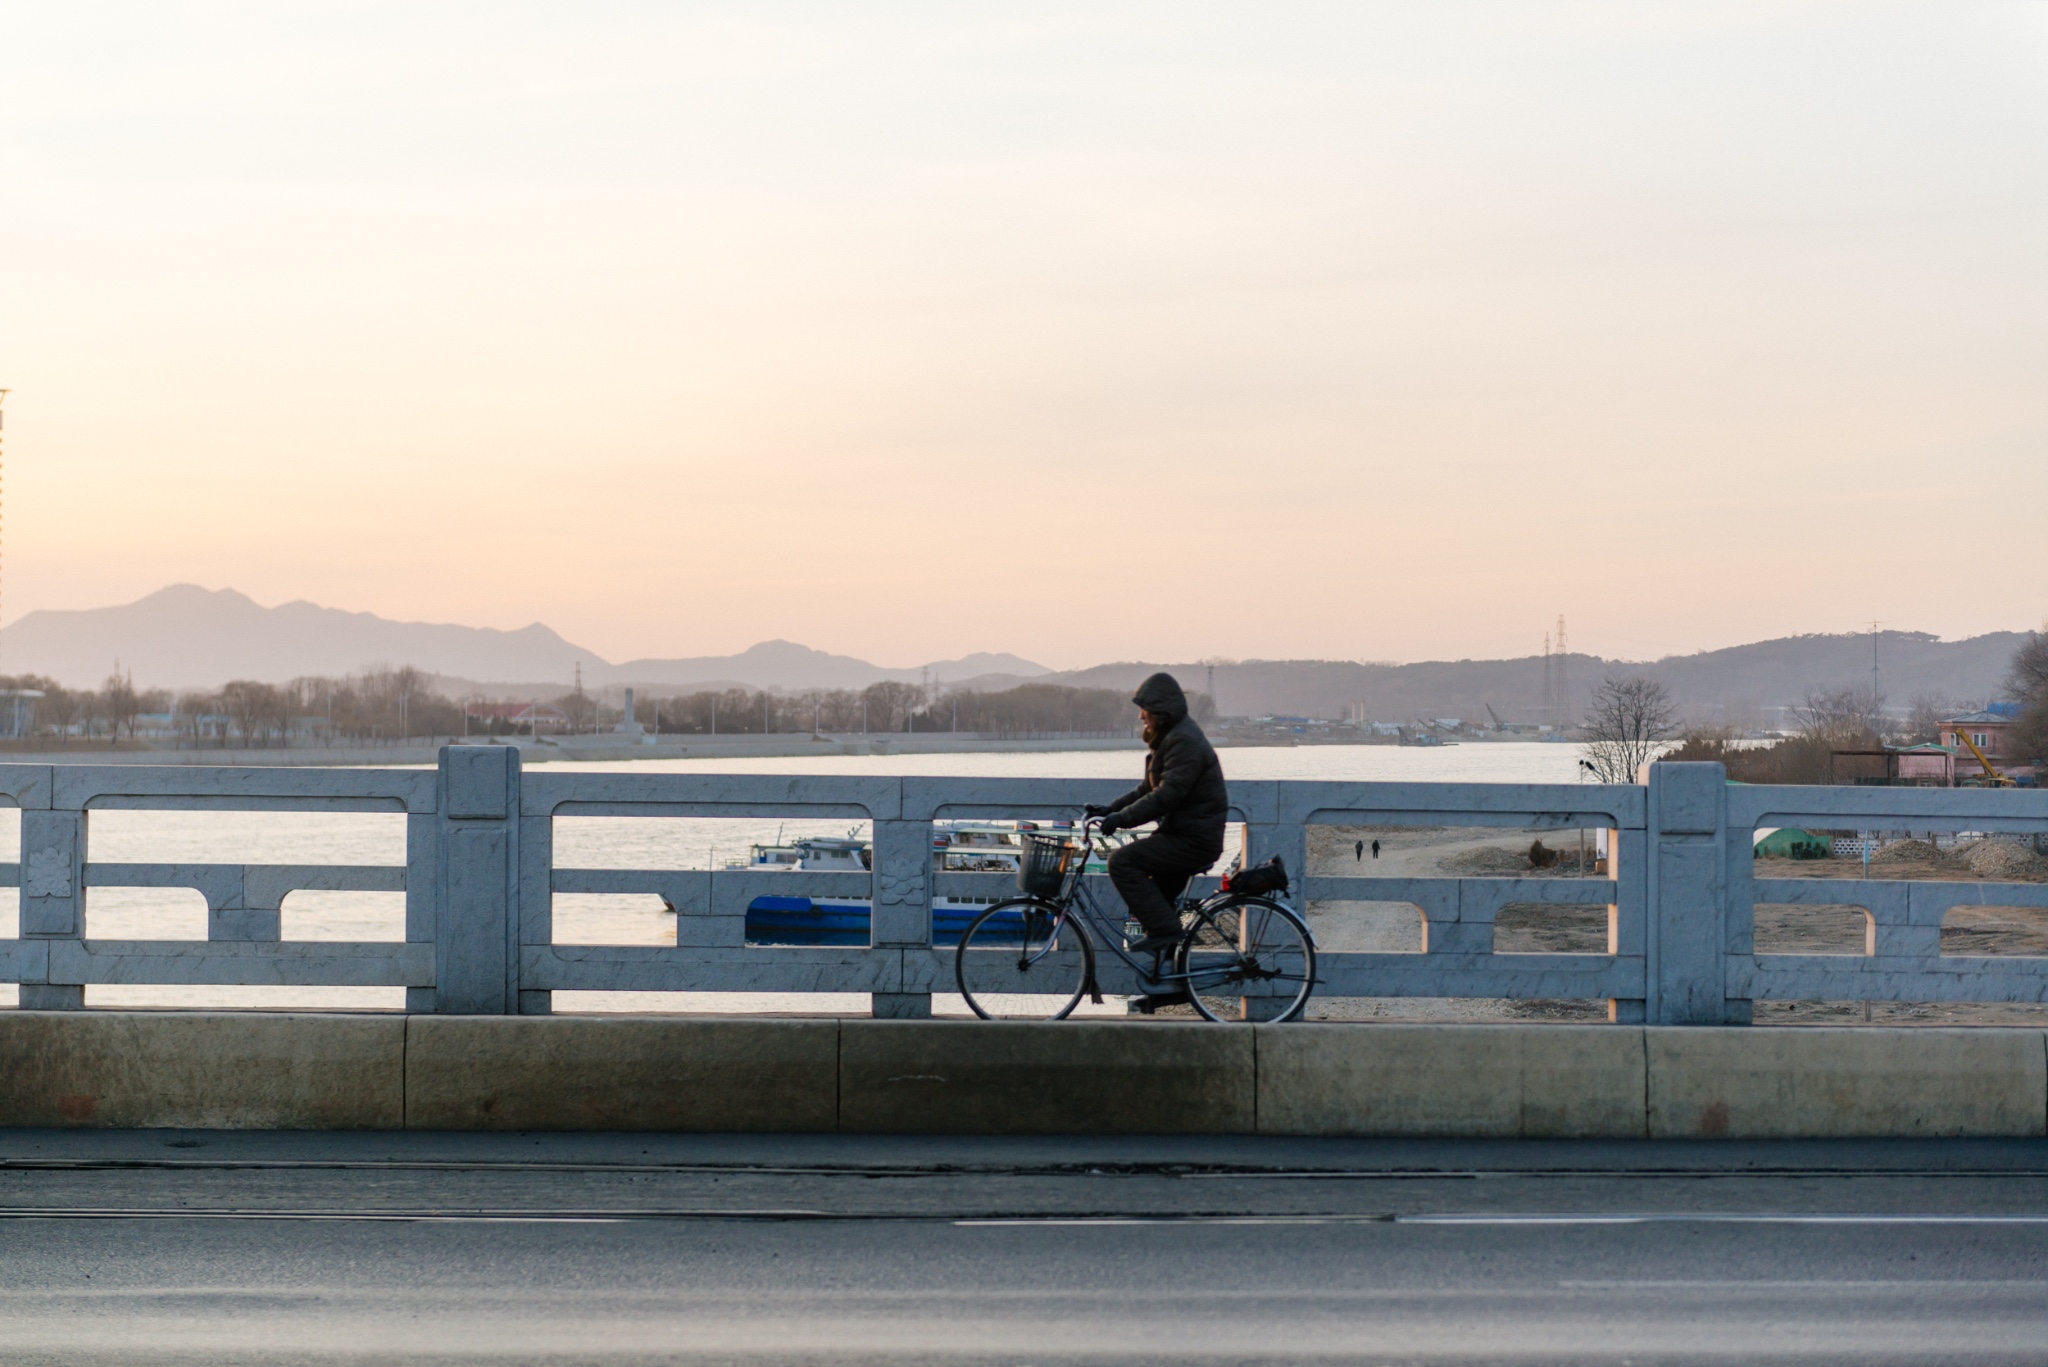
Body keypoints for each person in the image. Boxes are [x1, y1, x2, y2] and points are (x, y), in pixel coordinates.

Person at [1086, 672, 1228, 955]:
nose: (1141, 716)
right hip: (1184, 836)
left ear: (1161, 711)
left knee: (1122, 862)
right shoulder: (1174, 737)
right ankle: (1166, 986)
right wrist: (1111, 809)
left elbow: (1167, 794)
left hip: (1193, 841)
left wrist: (1123, 819)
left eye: (1145, 709)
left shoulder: (1184, 741)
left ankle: (1167, 933)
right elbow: (1147, 789)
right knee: (1157, 909)